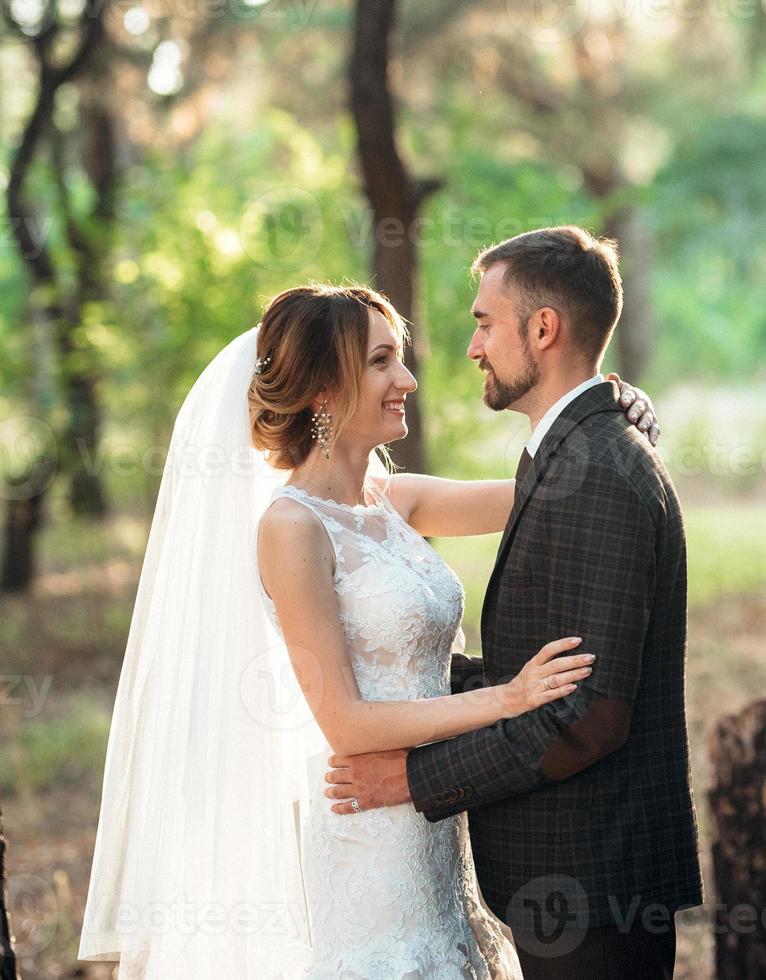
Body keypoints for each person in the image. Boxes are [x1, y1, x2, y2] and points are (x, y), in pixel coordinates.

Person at [78, 273, 660, 977]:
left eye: (399, 357)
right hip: (369, 839)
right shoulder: (291, 530)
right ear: (325, 388)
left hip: (437, 823)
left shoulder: (395, 501)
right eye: (382, 360)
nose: (408, 379)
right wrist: (508, 699)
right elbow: (346, 724)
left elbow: (552, 490)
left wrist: (608, 415)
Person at [323, 228, 703, 980]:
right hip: (570, 880)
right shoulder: (573, 454)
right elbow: (533, 672)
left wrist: (408, 779)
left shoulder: (598, 467)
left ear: (543, 328)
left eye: (483, 322)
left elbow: (589, 711)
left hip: (594, 882)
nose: (471, 348)